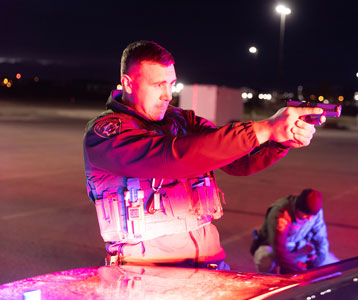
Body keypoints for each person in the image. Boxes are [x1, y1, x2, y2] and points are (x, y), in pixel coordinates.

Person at [83, 40, 325, 270]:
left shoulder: (182, 120)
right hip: (148, 273)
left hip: (209, 264)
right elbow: (173, 157)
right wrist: (265, 128)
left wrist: (278, 140)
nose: (168, 95)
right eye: (158, 85)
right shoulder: (106, 134)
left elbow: (239, 161)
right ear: (127, 83)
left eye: (171, 83)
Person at [251, 189, 338, 274]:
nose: (309, 219)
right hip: (275, 249)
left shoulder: (315, 213)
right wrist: (300, 272)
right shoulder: (281, 213)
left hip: (299, 247)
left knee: (332, 267)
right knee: (265, 257)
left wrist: (316, 264)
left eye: (312, 216)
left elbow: (321, 239)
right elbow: (279, 249)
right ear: (298, 208)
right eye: (306, 215)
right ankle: (271, 280)